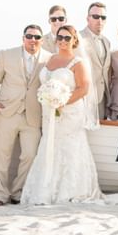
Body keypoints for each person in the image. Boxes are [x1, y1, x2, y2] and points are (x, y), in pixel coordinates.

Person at [21, 25, 102, 204]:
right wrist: (50, 100)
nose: (63, 41)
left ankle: (69, 191)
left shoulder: (78, 62)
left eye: (67, 38)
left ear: (74, 41)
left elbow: (83, 89)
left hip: (70, 112)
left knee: (68, 147)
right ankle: (45, 189)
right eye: (60, 37)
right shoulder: (49, 60)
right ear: (56, 39)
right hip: (49, 113)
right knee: (49, 145)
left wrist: (62, 102)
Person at [0, 25, 52, 206]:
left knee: (29, 155)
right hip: (7, 112)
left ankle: (17, 191)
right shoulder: (7, 55)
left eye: (37, 37)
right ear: (23, 38)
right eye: (29, 36)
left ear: (42, 40)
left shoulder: (48, 59)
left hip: (33, 115)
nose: (33, 40)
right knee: (2, 155)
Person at [80, 2, 111, 118]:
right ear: (88, 18)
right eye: (96, 16)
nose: (100, 20)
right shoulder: (78, 38)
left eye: (103, 17)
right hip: (84, 97)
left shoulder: (107, 42)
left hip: (103, 97)